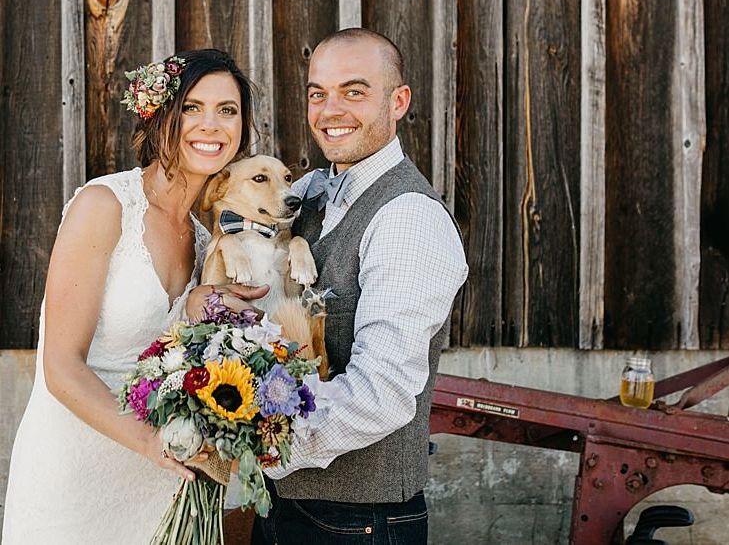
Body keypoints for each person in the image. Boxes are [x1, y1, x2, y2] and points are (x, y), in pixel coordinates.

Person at [2, 48, 267, 544]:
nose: (211, 125)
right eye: (192, 107)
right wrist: (154, 444)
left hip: (161, 489)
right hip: (74, 480)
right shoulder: (104, 206)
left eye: (227, 110)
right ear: (162, 114)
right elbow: (60, 367)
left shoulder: (209, 243)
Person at [252, 28, 468, 544]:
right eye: (317, 93)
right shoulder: (308, 191)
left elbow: (384, 392)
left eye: (354, 91)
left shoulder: (409, 217)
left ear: (398, 102)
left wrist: (262, 441)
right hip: (284, 507)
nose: (330, 110)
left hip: (358, 522)